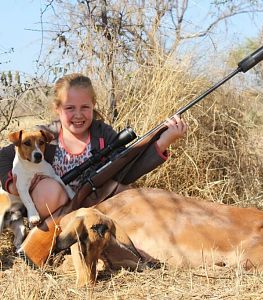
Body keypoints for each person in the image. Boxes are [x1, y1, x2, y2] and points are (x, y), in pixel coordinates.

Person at [0, 73, 187, 223]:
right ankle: (55, 234)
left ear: (93, 106)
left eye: (85, 107)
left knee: (125, 191)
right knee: (49, 189)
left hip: (94, 201)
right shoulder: (45, 136)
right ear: (57, 109)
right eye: (70, 108)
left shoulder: (103, 134)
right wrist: (12, 184)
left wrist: (163, 142)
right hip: (55, 207)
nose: (78, 115)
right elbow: (4, 155)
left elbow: (128, 170)